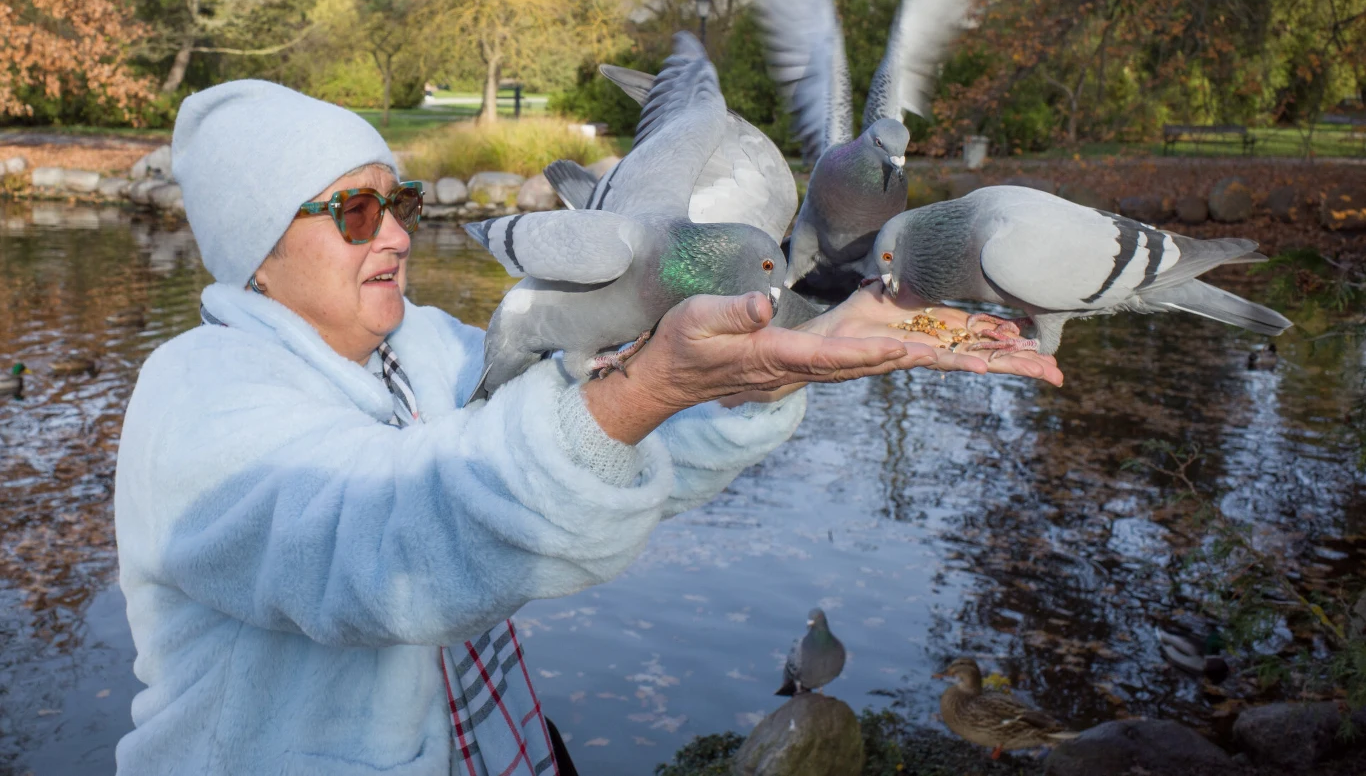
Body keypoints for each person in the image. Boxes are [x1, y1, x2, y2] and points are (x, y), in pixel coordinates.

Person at [114, 80, 1061, 776]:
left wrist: (757, 371)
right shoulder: (195, 403)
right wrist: (643, 384)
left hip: (510, 750)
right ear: (255, 255)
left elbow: (608, 454)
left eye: (397, 203)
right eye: (357, 212)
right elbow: (395, 551)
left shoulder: (439, 351)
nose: (399, 233)